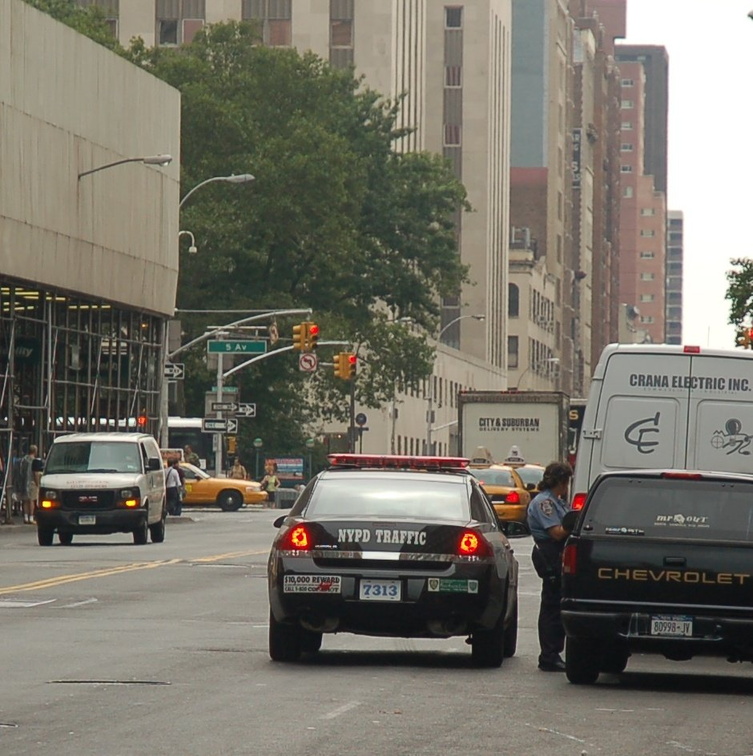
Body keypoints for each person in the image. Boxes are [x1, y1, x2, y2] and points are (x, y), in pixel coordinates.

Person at [527, 460, 574, 672]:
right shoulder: (544, 502)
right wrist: (574, 523)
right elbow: (556, 533)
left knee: (558, 603)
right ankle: (549, 655)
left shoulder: (558, 501)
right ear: (561, 481)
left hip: (558, 554)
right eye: (566, 481)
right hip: (550, 553)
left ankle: (554, 652)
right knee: (551, 606)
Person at [20, 445, 41, 524]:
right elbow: (35, 473)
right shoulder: (34, 461)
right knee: (31, 500)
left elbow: (21, 471)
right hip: (32, 482)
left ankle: (25, 517)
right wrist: (37, 483)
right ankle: (31, 517)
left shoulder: (24, 460)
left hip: (24, 482)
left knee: (25, 500)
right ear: (35, 451)